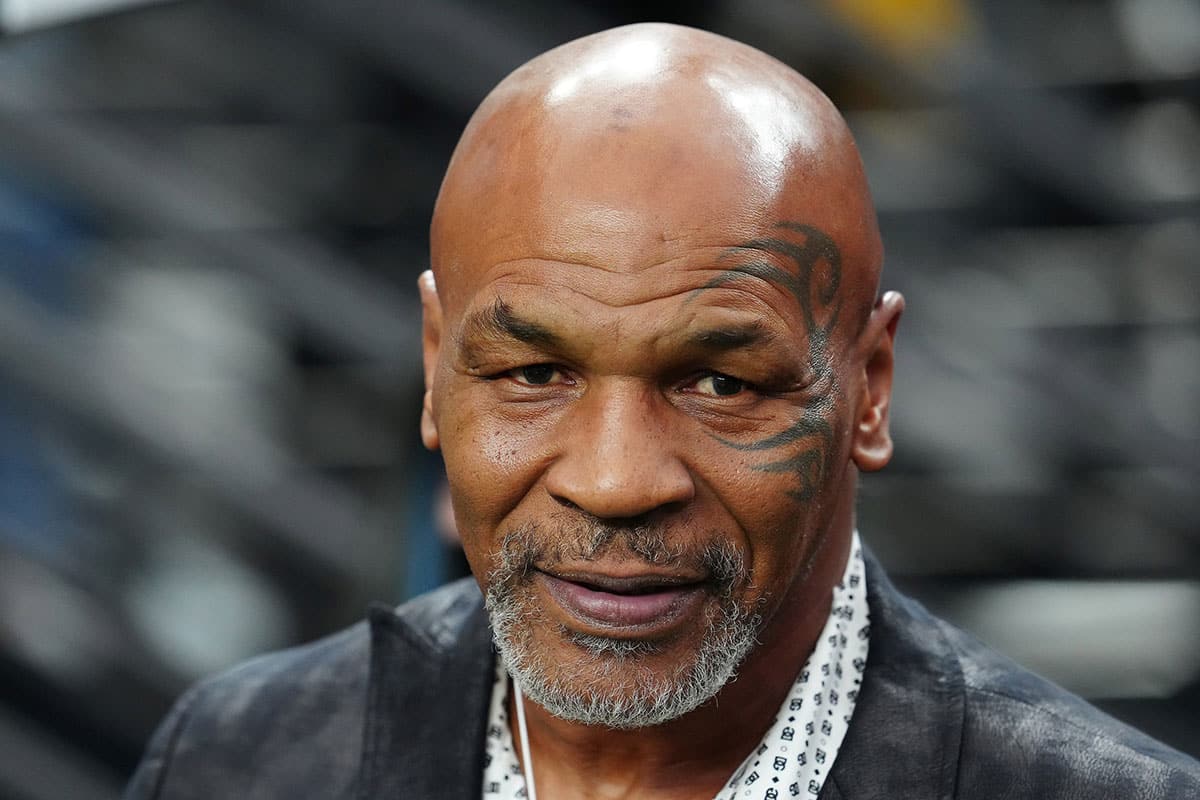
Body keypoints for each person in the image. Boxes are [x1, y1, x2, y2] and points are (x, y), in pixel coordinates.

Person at [125, 23, 1200, 800]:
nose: (616, 478)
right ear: (433, 363)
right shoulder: (237, 760)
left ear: (869, 387)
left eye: (720, 383)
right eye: (534, 372)